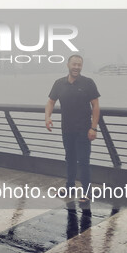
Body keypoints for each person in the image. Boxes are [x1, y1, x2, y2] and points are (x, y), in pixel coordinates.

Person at [45, 55, 100, 201]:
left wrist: (94, 128)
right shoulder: (59, 83)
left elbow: (95, 106)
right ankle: (69, 188)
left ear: (82, 67)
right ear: (68, 65)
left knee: (83, 161)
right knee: (69, 159)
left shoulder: (88, 83)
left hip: (84, 129)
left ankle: (87, 192)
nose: (76, 67)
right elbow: (51, 101)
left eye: (79, 65)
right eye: (74, 64)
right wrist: (47, 117)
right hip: (67, 129)